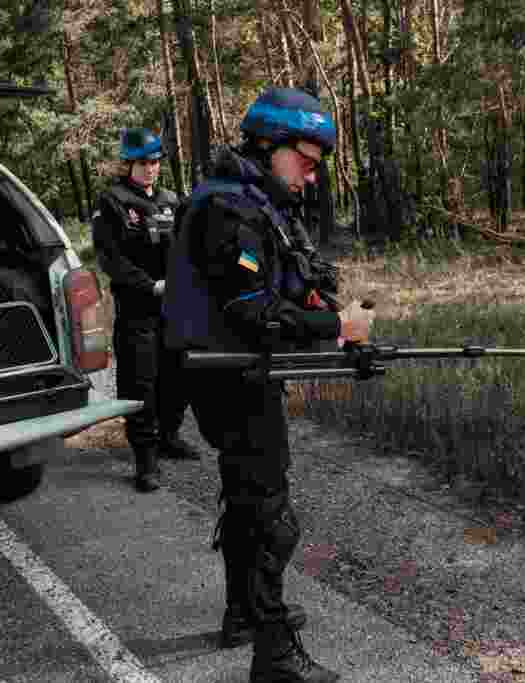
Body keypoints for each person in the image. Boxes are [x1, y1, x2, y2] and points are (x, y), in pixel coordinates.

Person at [163, 88, 374, 683]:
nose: (310, 177)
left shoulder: (252, 202)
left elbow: (283, 289)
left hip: (230, 370)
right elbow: (252, 314)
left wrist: (321, 309)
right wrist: (336, 325)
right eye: (305, 162)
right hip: (225, 375)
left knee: (245, 496)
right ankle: (275, 654)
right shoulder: (229, 210)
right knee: (269, 514)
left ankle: (243, 611)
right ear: (269, 145)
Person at [92, 127, 202, 494]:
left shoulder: (173, 200)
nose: (152, 169)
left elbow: (190, 248)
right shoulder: (113, 201)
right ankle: (145, 460)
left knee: (179, 377)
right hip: (138, 308)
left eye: (156, 162)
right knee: (141, 385)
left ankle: (168, 437)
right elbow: (111, 259)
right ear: (129, 164)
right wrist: (150, 285)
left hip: (175, 309)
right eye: (144, 163)